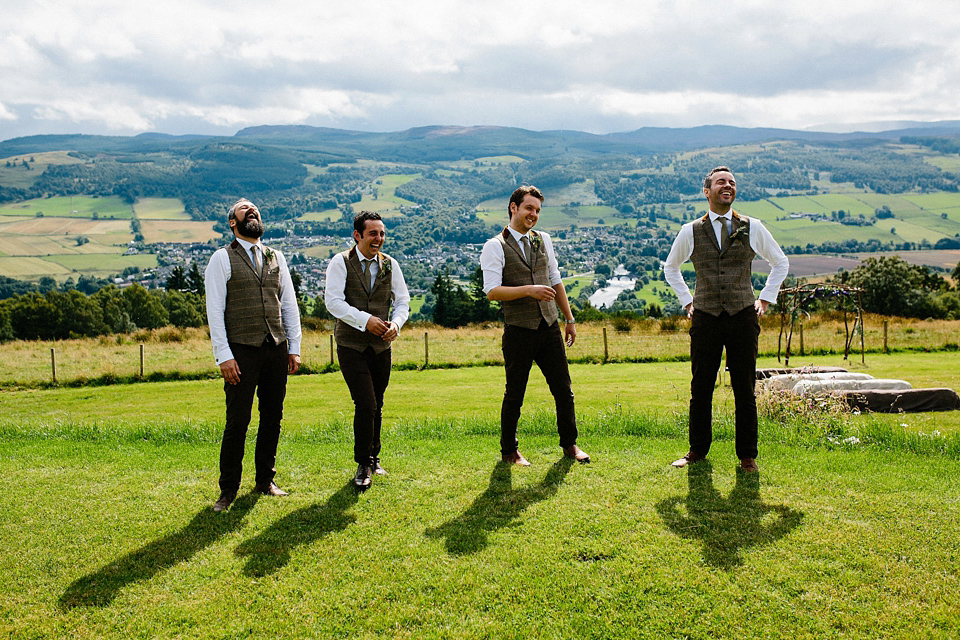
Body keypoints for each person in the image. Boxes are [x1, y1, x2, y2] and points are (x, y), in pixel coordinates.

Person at [663, 167, 789, 473]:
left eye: (732, 183)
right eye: (721, 182)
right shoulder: (690, 230)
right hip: (705, 317)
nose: (728, 186)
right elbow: (671, 268)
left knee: (744, 387)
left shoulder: (752, 226)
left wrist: (765, 298)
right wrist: (688, 301)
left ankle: (747, 456)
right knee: (701, 387)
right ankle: (697, 451)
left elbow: (780, 262)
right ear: (707, 191)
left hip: (743, 316)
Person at [480, 185, 590, 466]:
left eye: (538, 210)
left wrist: (569, 319)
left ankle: (570, 445)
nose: (534, 214)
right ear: (513, 207)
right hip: (518, 330)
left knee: (564, 390)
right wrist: (529, 290)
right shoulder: (495, 246)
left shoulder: (544, 240)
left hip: (550, 326)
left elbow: (555, 279)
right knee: (515, 394)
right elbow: (492, 291)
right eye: (529, 208)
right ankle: (509, 451)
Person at [205, 199, 302, 512]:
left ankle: (265, 480)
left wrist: (294, 347)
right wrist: (223, 355)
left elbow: (288, 304)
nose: (252, 211)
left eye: (255, 209)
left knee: (272, 417)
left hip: (275, 348)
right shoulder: (221, 259)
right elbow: (215, 311)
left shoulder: (276, 257)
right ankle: (228, 490)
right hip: (241, 352)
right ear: (232, 223)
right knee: (238, 421)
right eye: (244, 210)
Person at [325, 211, 410, 489]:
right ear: (357, 235)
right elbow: (333, 302)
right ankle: (363, 463)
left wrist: (396, 324)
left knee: (378, 403)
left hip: (381, 347)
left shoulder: (390, 265)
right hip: (351, 345)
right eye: (373, 233)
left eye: (382, 233)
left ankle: (374, 458)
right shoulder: (340, 262)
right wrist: (366, 321)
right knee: (366, 402)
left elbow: (403, 302)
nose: (379, 239)